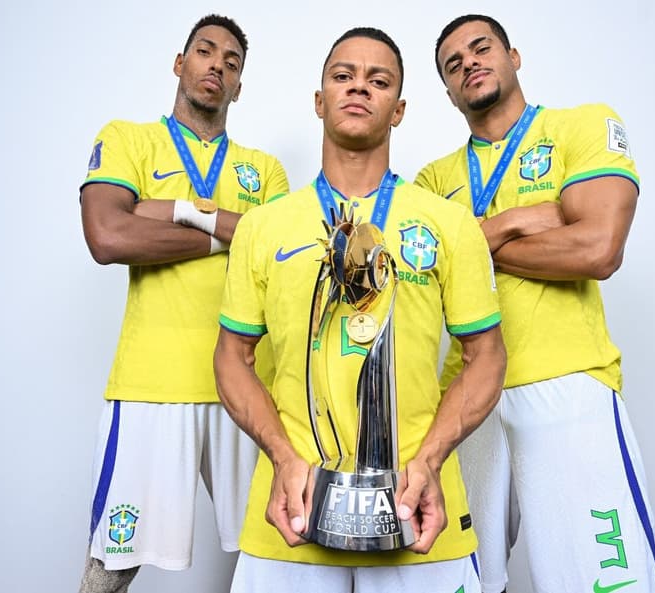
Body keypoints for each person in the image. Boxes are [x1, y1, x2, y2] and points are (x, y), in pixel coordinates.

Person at [213, 27, 507, 593]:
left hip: (418, 507)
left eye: (379, 81)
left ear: (398, 110)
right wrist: (281, 456)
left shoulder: (447, 223)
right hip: (290, 512)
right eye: (343, 76)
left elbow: (486, 356)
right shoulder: (261, 227)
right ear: (319, 100)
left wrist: (430, 461)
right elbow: (232, 358)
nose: (359, 89)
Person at [414, 14, 655, 593]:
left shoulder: (583, 125)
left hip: (567, 383)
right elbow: (430, 274)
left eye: (481, 48)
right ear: (448, 92)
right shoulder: (431, 181)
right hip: (467, 390)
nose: (469, 63)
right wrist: (540, 215)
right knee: (457, 581)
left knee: (602, 582)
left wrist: (482, 233)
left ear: (514, 56)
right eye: (453, 64)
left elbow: (598, 246)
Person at [77, 14, 288, 593]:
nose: (216, 65)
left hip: (247, 386)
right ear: (180, 63)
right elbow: (108, 237)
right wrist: (223, 230)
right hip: (152, 385)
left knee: (281, 549)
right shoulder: (127, 138)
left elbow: (274, 250)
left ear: (239, 86)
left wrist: (168, 208)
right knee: (110, 569)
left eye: (231, 62)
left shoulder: (265, 170)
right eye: (205, 51)